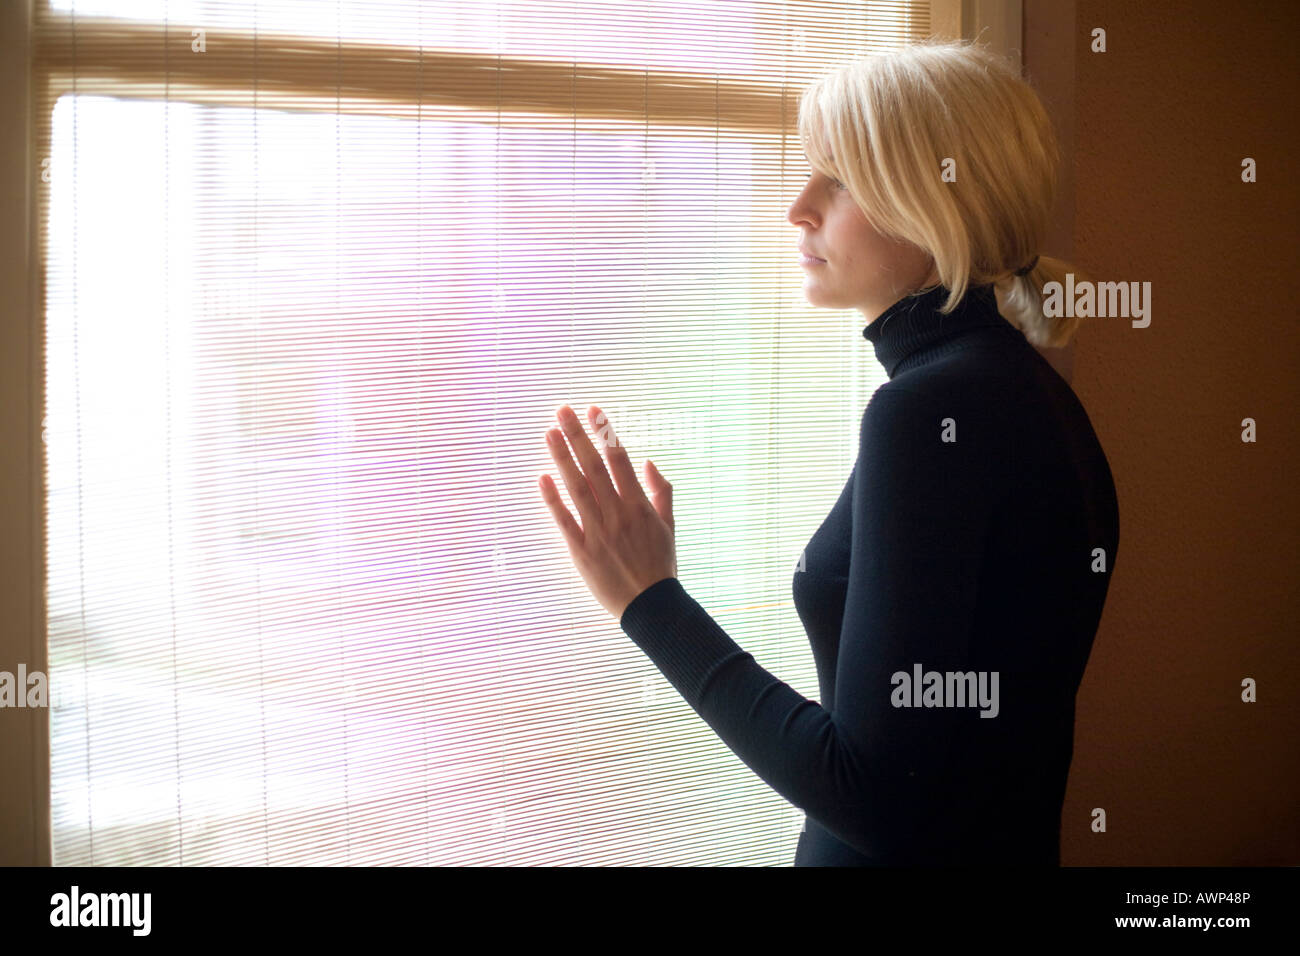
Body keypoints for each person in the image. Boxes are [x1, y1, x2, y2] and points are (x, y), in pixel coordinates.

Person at [537, 39, 1120, 866]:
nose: (799, 206)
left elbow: (873, 792)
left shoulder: (932, 411)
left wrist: (648, 599)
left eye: (840, 179)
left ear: (935, 205)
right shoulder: (1024, 390)